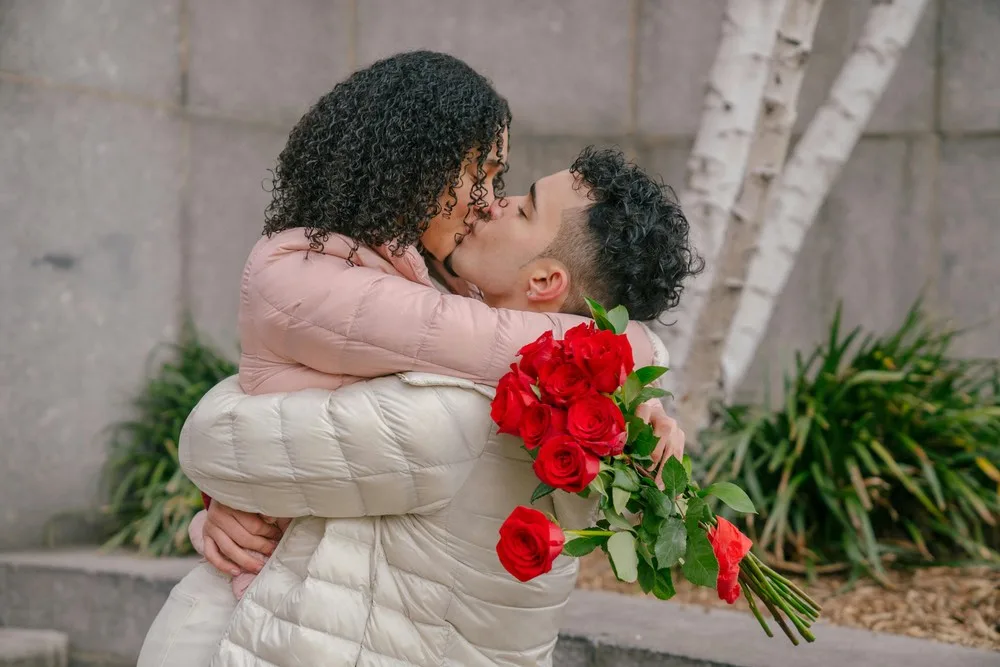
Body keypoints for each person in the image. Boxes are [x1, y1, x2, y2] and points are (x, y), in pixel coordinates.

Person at [136, 49, 699, 666]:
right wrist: (631, 369)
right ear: (417, 163)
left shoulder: (455, 411)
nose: (490, 200)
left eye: (515, 195)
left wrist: (222, 497)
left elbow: (222, 443)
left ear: (545, 281)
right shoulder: (535, 389)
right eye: (481, 173)